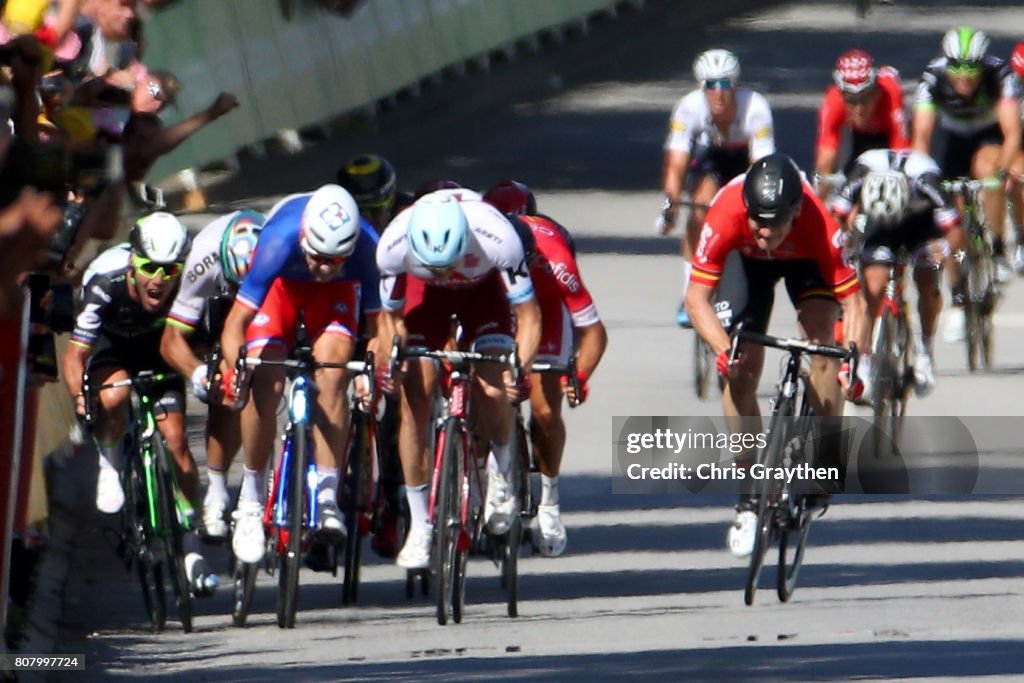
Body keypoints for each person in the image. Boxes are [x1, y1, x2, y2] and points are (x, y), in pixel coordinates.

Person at [684, 153, 864, 558]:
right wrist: (722, 349)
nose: (764, 231)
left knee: (822, 340)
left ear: (796, 211)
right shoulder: (727, 213)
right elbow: (696, 300)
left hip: (806, 261)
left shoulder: (819, 222)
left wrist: (854, 360)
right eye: (756, 221)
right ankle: (750, 497)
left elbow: (854, 304)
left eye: (773, 222)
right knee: (740, 371)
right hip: (746, 266)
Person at [375, 191, 541, 570]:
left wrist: (522, 368)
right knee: (415, 397)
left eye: (449, 264)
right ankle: (420, 524)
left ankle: (500, 469)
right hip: (425, 299)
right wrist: (394, 360)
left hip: (483, 294)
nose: (445, 274)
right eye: (435, 266)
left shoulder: (497, 236)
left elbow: (529, 317)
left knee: (494, 382)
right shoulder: (393, 245)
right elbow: (390, 321)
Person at [219, 184, 381, 565]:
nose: (325, 268)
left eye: (335, 259)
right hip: (282, 290)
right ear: (305, 239)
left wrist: (374, 371)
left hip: (337, 298)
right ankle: (251, 498)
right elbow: (235, 325)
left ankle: (326, 497)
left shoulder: (366, 248)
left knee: (334, 373)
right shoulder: (278, 240)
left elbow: (380, 328)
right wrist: (234, 369)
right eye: (318, 258)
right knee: (265, 375)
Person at [61, 211, 219, 595]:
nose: (160, 280)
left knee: (177, 440)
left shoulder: (186, 285)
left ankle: (190, 543)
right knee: (111, 397)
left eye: (170, 270)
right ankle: (110, 465)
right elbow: (74, 357)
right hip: (111, 351)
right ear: (132, 261)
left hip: (159, 355)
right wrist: (82, 400)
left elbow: (199, 345)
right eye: (150, 268)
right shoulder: (105, 282)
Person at [484, 180, 607, 557]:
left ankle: (549, 504)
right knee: (485, 393)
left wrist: (580, 376)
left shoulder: (554, 257)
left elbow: (594, 332)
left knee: (544, 409)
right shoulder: (482, 245)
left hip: (548, 309)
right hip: (497, 307)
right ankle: (479, 486)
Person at [159, 209, 265, 541]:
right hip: (215, 301)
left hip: (267, 294)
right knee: (227, 384)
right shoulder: (203, 259)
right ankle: (216, 493)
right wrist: (200, 373)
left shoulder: (276, 255)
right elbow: (171, 339)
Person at [655, 48, 775, 328]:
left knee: (749, 214)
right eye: (711, 85)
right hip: (712, 158)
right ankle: (690, 293)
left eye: (725, 84)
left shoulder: (755, 107)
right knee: (699, 208)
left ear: (736, 86)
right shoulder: (689, 107)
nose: (718, 93)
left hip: (745, 160)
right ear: (702, 87)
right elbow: (676, 163)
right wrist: (670, 203)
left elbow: (762, 165)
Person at [831, 149, 964, 398]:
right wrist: (844, 244)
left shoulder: (927, 180)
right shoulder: (861, 172)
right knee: (873, 286)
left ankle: (925, 350)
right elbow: (835, 216)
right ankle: (866, 362)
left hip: (921, 224)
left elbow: (954, 228)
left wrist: (943, 250)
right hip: (876, 223)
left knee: (927, 278)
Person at [912, 27, 1021, 308]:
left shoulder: (1000, 76)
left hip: (989, 138)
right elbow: (921, 136)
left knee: (989, 171)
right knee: (950, 216)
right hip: (954, 143)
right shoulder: (933, 78)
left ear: (982, 64)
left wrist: (1004, 170)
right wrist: (922, 179)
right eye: (957, 67)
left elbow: (1012, 134)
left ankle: (997, 249)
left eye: (971, 67)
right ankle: (958, 291)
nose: (964, 75)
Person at [814, 49, 910, 191]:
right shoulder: (833, 100)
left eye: (865, 98)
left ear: (876, 92)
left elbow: (902, 152)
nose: (859, 108)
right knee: (849, 188)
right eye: (851, 100)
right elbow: (825, 163)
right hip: (861, 139)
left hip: (889, 135)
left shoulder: (890, 92)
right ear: (841, 94)